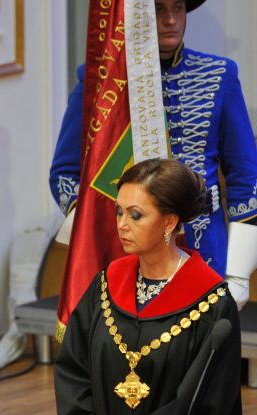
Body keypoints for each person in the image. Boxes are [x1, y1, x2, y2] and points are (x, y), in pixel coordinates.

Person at [51, 158, 250, 415]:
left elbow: (198, 408)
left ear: (170, 222)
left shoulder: (212, 306)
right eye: (119, 212)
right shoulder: (107, 284)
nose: (121, 223)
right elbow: (72, 371)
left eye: (135, 214)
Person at [50, 0, 257, 308]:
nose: (171, 20)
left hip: (204, 252)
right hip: (123, 259)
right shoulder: (99, 83)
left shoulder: (219, 76)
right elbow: (65, 175)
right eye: (158, 9)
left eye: (178, 8)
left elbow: (246, 178)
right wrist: (104, 226)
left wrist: (239, 274)